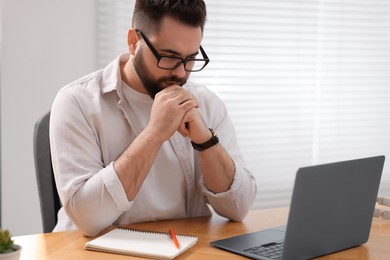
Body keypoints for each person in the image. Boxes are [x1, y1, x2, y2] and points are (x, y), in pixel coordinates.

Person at [50, 0, 257, 237]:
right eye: (169, 56)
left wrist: (206, 141)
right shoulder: (76, 102)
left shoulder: (205, 102)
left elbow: (238, 208)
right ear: (133, 42)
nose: (181, 73)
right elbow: (88, 219)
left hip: (185, 249)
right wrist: (155, 133)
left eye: (190, 58)